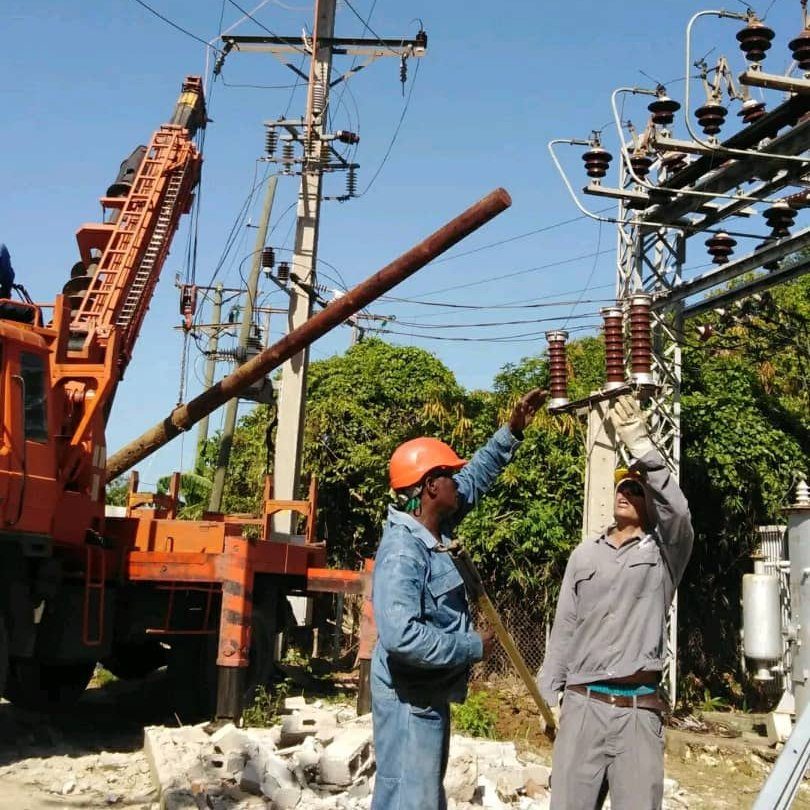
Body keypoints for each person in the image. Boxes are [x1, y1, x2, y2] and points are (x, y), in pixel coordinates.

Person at [370, 387, 548, 810]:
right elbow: (402, 637)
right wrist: (471, 646)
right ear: (431, 486)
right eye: (449, 474)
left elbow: (476, 478)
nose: (458, 481)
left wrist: (512, 431)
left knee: (420, 794)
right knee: (409, 799)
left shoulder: (434, 529)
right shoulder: (403, 551)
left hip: (426, 693)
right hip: (409, 698)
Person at [539, 394, 694, 810]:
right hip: (583, 706)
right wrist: (547, 694)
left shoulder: (664, 553)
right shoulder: (584, 555)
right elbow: (565, 626)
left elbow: (677, 513)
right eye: (622, 485)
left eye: (635, 488)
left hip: (637, 712)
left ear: (649, 504)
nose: (624, 491)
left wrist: (645, 450)